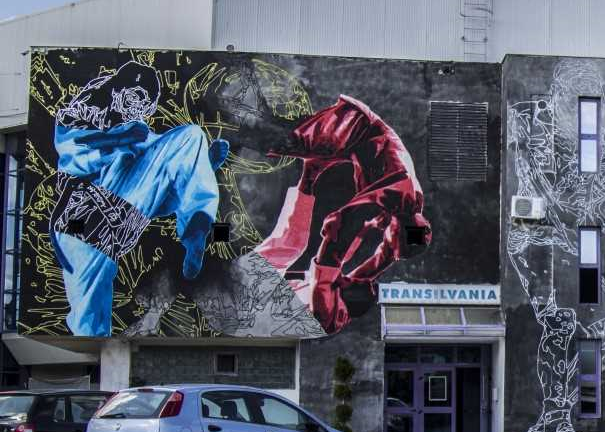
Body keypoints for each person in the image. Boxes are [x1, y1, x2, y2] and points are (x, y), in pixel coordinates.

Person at [51, 61, 227, 336]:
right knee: (89, 330)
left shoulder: (139, 134)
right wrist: (117, 140)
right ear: (117, 92)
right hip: (81, 222)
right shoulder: (88, 110)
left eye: (145, 105)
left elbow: (159, 199)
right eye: (134, 98)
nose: (138, 109)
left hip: (117, 225)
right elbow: (71, 153)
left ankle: (196, 229)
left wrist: (203, 166)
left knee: (190, 137)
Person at [254, 95, 430, 334]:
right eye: (391, 242)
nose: (386, 246)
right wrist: (327, 273)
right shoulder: (401, 194)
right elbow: (343, 223)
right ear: (399, 229)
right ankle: (237, 120)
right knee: (281, 141)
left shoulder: (403, 218)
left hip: (351, 145)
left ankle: (261, 123)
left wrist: (335, 282)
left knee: (296, 243)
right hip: (355, 128)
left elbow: (377, 262)